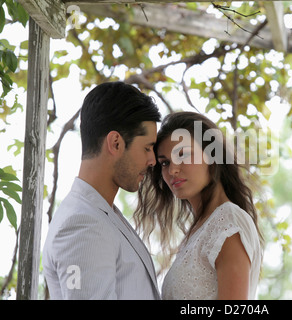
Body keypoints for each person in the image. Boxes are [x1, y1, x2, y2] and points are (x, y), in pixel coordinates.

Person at [43, 81, 161, 300]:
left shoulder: (100, 213)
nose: (153, 160)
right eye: (147, 148)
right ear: (116, 143)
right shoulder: (81, 224)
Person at [134, 111, 264, 300]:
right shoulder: (198, 231)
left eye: (183, 154)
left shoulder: (228, 221)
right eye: (164, 162)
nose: (172, 169)